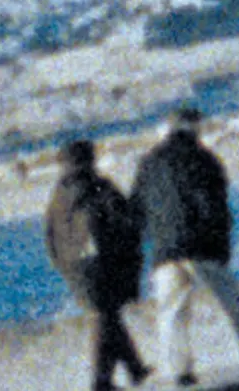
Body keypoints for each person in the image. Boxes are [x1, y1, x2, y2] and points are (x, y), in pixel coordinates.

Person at [132, 106, 239, 387]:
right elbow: (213, 206)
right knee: (231, 299)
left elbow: (137, 207)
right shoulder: (204, 159)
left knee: (171, 311)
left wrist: (152, 239)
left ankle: (179, 371)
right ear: (195, 128)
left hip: (164, 249)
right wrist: (221, 245)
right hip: (199, 243)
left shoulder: (148, 162)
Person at [45, 139, 151, 391]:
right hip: (100, 263)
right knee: (105, 318)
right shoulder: (99, 187)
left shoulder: (58, 196)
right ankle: (101, 381)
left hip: (72, 264)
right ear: (90, 160)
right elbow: (124, 219)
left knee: (108, 315)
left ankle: (135, 369)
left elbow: (49, 236)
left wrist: (60, 263)